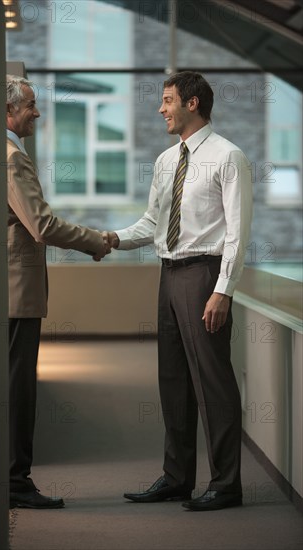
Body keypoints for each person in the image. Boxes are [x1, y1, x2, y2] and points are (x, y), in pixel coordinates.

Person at [105, 71, 253, 511]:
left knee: (214, 383)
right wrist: (109, 239)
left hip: (204, 276)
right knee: (172, 380)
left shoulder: (229, 156)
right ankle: (176, 477)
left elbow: (238, 233)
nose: (161, 109)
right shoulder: (167, 160)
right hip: (168, 273)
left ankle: (226, 484)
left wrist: (223, 290)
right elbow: (152, 222)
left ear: (192, 103)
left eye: (167, 101)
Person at [6, 75, 108, 509]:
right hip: (14, 293)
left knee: (10, 386)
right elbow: (42, 226)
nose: (37, 112)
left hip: (4, 292)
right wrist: (95, 240)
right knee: (17, 388)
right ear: (8, 110)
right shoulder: (11, 157)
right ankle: (14, 483)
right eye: (31, 104)